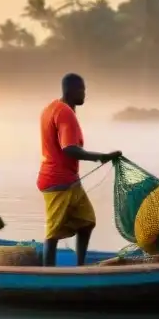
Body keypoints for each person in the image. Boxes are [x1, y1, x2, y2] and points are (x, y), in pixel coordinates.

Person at [37, 74, 121, 267]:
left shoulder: (53, 107)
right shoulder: (65, 113)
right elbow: (69, 148)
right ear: (72, 91)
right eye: (82, 90)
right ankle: (47, 276)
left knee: (86, 221)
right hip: (57, 182)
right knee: (53, 233)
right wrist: (102, 156)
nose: (85, 94)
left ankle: (80, 267)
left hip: (70, 181)